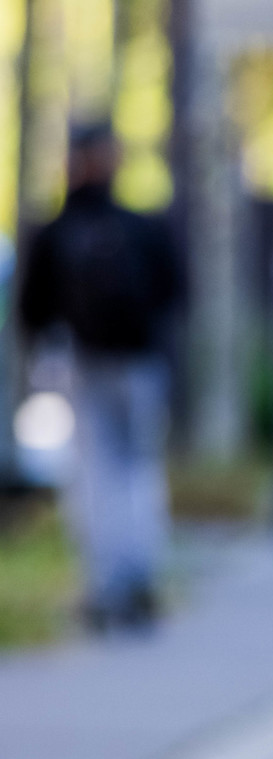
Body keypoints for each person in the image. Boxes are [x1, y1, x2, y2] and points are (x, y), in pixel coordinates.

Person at [19, 119, 184, 631]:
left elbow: (32, 309)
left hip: (85, 364)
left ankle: (106, 582)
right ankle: (137, 579)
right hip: (139, 364)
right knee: (137, 470)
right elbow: (176, 293)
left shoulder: (58, 228)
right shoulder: (142, 226)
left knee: (96, 474)